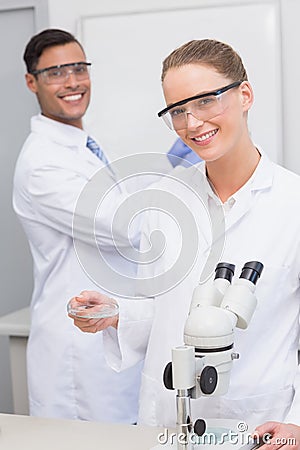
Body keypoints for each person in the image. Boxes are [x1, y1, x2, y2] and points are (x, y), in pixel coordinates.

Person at [69, 39, 300, 443]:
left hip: (261, 423)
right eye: (178, 111)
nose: (192, 123)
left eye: (206, 101)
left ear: (245, 94)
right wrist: (118, 315)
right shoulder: (165, 200)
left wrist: (298, 420)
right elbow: (164, 314)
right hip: (166, 420)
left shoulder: (292, 204)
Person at [13, 28, 193, 422]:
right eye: (56, 72)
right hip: (79, 355)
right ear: (32, 82)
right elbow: (121, 225)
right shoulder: (42, 163)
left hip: (113, 328)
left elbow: (119, 201)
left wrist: (167, 167)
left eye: (79, 68)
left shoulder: (82, 146)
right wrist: (173, 172)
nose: (73, 81)